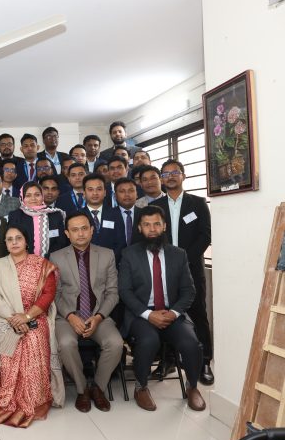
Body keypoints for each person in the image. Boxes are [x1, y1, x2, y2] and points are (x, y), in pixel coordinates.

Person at [118, 205, 205, 412]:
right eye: (147, 225)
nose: (152, 229)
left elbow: (189, 291)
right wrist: (149, 314)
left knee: (191, 343)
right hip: (141, 313)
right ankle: (141, 387)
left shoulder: (178, 254)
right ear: (139, 228)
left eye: (156, 224)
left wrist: (173, 313)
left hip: (172, 312)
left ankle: (192, 386)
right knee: (149, 340)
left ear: (164, 226)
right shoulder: (129, 254)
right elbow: (125, 292)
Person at [0, 224, 64, 427]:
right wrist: (14, 318)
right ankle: (8, 400)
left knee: (33, 339)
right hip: (5, 318)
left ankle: (35, 400)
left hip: (35, 316)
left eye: (18, 238)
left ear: (27, 241)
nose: (14, 242)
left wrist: (27, 316)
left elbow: (48, 295)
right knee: (7, 340)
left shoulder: (42, 265)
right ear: (5, 243)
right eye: (9, 239)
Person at [50, 212, 123, 413]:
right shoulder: (56, 257)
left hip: (98, 314)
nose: (80, 233)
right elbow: (55, 294)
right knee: (66, 344)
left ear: (92, 230)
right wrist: (70, 316)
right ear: (67, 233)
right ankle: (82, 389)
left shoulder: (107, 254)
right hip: (68, 316)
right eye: (74, 230)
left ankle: (98, 387)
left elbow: (113, 292)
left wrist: (99, 317)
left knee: (116, 344)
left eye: (84, 228)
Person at [154, 159, 213, 385]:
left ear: (183, 175)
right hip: (163, 270)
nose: (170, 176)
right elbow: (152, 236)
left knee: (198, 313)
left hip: (192, 268)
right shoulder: (156, 206)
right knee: (165, 313)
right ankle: (168, 359)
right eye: (165, 173)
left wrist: (184, 260)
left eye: (175, 172)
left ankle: (205, 360)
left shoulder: (198, 203)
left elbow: (205, 235)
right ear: (161, 179)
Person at [6, 182, 67, 258]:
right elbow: (12, 242)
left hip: (52, 260)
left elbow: (61, 242)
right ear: (22, 197)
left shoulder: (55, 214)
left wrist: (48, 260)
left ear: (42, 196)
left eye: (37, 195)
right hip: (23, 261)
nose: (33, 198)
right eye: (28, 195)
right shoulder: (15, 216)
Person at [81, 173, 127, 264]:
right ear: (84, 193)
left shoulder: (116, 214)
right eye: (90, 189)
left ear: (105, 192)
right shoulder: (77, 216)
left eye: (99, 189)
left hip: (112, 265)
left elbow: (121, 242)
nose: (95, 193)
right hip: (85, 264)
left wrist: (108, 262)